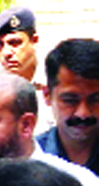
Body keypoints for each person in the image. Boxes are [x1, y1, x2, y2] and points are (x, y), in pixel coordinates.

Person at [36, 39, 99, 176]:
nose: (83, 113)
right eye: (70, 100)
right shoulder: (31, 161)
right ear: (47, 95)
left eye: (95, 100)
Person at [0, 7, 50, 133]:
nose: (6, 53)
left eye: (15, 43)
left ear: (34, 41)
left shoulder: (55, 80)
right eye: (0, 45)